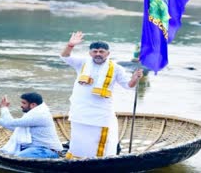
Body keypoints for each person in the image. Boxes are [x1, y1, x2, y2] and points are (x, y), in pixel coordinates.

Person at [60, 31, 143, 159]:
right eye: (95, 51)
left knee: (101, 139)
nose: (98, 54)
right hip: (80, 110)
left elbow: (128, 85)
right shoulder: (82, 63)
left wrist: (135, 78)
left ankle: (100, 161)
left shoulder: (116, 68)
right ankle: (77, 159)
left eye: (101, 52)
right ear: (90, 53)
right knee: (79, 139)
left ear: (108, 53)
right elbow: (65, 56)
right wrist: (70, 45)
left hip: (101, 112)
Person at [0, 92, 63, 158]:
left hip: (46, 151)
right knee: (8, 154)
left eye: (24, 103)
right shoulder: (32, 113)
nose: (21, 106)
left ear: (33, 105)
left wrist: (4, 108)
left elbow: (11, 122)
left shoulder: (40, 115)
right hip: (33, 149)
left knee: (17, 158)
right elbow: (16, 128)